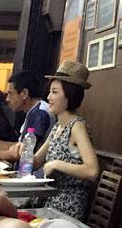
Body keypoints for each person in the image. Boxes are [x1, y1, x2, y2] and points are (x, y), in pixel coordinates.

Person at [26, 61, 98, 220]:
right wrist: (23, 151)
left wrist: (57, 164)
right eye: (49, 92)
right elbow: (36, 162)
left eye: (54, 92)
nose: (48, 97)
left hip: (66, 207)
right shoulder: (58, 126)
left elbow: (92, 171)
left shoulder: (77, 126)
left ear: (69, 95)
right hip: (49, 201)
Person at [0, 72, 53, 163]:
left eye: (10, 93)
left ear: (24, 93)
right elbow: (18, 147)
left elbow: (25, 151)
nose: (7, 99)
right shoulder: (34, 111)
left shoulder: (40, 113)